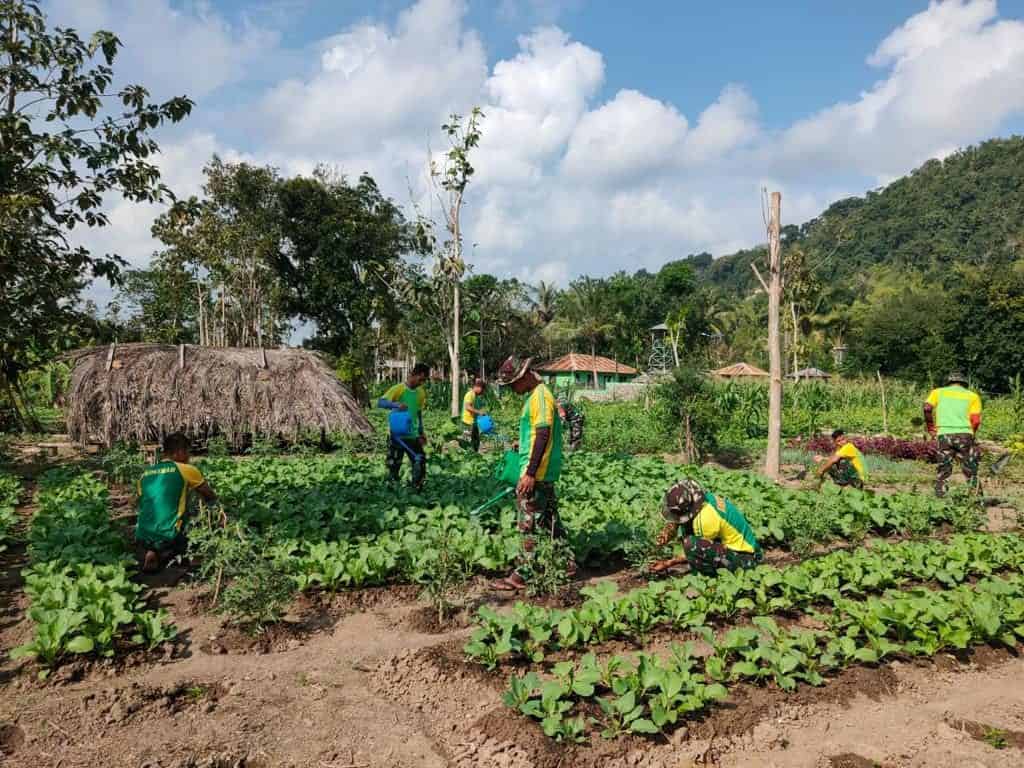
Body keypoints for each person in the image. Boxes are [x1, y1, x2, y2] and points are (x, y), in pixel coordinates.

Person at [490, 356, 573, 591]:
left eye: (513, 384)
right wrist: (522, 443)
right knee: (549, 521)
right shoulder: (538, 396)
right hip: (543, 471)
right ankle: (566, 563)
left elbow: (544, 434)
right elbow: (537, 434)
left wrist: (529, 473)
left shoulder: (541, 397)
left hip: (537, 472)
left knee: (527, 523)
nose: (513, 389)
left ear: (525, 376)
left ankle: (523, 573)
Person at [136, 432, 220, 573]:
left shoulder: (145, 474)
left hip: (142, 535)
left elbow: (142, 502)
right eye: (188, 452)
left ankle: (152, 551)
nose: (189, 457)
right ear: (180, 451)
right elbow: (210, 495)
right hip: (171, 536)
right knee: (198, 506)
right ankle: (194, 556)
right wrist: (219, 514)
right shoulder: (186, 470)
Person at [650, 479, 763, 576]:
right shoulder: (703, 499)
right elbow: (678, 519)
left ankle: (705, 579)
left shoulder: (705, 520)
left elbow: (695, 549)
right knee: (689, 537)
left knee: (691, 544)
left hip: (746, 559)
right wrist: (664, 535)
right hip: (745, 545)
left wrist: (668, 563)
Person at [924, 371, 982, 497]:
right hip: (965, 434)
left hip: (944, 434)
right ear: (964, 383)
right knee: (970, 468)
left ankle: (940, 498)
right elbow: (976, 420)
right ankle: (976, 499)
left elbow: (927, 408)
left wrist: (930, 427)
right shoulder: (972, 396)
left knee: (943, 468)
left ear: (948, 382)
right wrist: (972, 434)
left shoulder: (938, 392)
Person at [378, 363, 430, 488]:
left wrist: (421, 432)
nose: (421, 382)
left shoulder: (421, 393)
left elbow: (418, 413)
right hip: (397, 435)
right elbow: (381, 402)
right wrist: (396, 405)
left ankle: (416, 488)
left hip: (413, 435)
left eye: (424, 380)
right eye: (420, 379)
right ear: (413, 374)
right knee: (394, 464)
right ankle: (393, 489)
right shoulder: (399, 389)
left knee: (420, 461)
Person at [461, 378, 488, 452]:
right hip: (468, 422)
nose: (483, 392)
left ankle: (475, 455)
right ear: (478, 387)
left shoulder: (475, 396)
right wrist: (479, 412)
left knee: (476, 441)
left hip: (473, 422)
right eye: (482, 389)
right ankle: (469, 458)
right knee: (468, 443)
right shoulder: (470, 394)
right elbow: (467, 407)